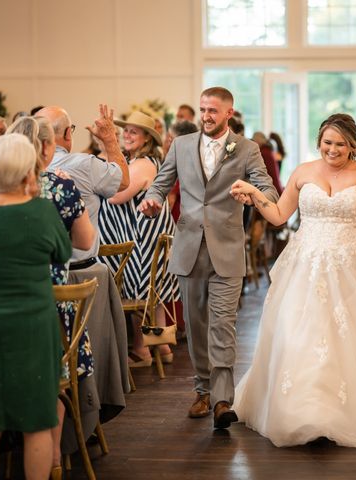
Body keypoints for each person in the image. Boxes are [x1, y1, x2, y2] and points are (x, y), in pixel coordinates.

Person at [229, 113, 356, 447]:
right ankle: (306, 411)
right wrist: (255, 194)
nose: (333, 149)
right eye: (328, 142)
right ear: (319, 142)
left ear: (352, 146)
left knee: (352, 338)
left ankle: (350, 410)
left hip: (353, 263)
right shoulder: (303, 172)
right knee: (305, 336)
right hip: (306, 266)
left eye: (340, 144)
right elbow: (279, 216)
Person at [139, 87, 279, 429]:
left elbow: (270, 191)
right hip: (188, 248)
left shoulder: (247, 150)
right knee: (198, 326)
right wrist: (152, 199)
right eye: (203, 109)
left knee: (222, 326)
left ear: (229, 113)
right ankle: (202, 390)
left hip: (228, 249)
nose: (205, 116)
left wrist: (252, 195)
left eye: (213, 110)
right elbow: (160, 183)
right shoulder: (182, 146)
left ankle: (221, 400)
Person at [0, 116, 96, 473]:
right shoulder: (56, 190)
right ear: (46, 147)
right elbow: (82, 244)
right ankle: (55, 456)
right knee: (49, 392)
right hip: (45, 309)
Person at [0, 133, 71, 479]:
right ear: (29, 171)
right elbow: (63, 253)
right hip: (33, 325)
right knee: (36, 420)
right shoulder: (40, 210)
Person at [98, 111, 180, 366]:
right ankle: (162, 347)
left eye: (134, 131)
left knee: (132, 285)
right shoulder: (139, 161)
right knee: (149, 294)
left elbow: (115, 195)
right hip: (147, 244)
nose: (127, 135)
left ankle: (142, 350)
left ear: (146, 138)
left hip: (143, 246)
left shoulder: (143, 164)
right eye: (126, 130)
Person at [36, 104, 129, 268]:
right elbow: (123, 181)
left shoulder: (20, 167)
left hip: (34, 271)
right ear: (67, 133)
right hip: (80, 272)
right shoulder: (84, 164)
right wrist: (110, 139)